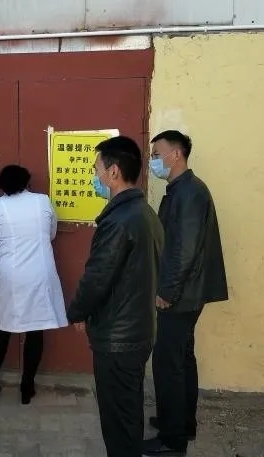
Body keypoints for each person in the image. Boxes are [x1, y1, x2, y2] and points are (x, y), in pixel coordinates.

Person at [66, 136, 164, 457]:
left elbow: (97, 277)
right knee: (127, 412)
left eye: (96, 169)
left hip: (118, 338)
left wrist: (77, 311)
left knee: (118, 420)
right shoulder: (144, 213)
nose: (94, 176)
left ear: (114, 172)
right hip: (137, 329)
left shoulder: (120, 221)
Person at [143, 130, 228, 457]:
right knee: (181, 358)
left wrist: (167, 291)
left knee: (168, 363)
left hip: (181, 295)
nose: (153, 160)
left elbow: (184, 250)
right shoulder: (183, 190)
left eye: (156, 154)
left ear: (175, 154)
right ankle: (181, 423)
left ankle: (172, 439)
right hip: (188, 292)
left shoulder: (189, 193)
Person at [0, 164, 68, 405]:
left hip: (10, 275)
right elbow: (51, 233)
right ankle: (27, 387)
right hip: (40, 273)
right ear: (27, 182)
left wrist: (8, 249)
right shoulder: (43, 201)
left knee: (2, 327)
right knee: (35, 329)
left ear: (2, 185)